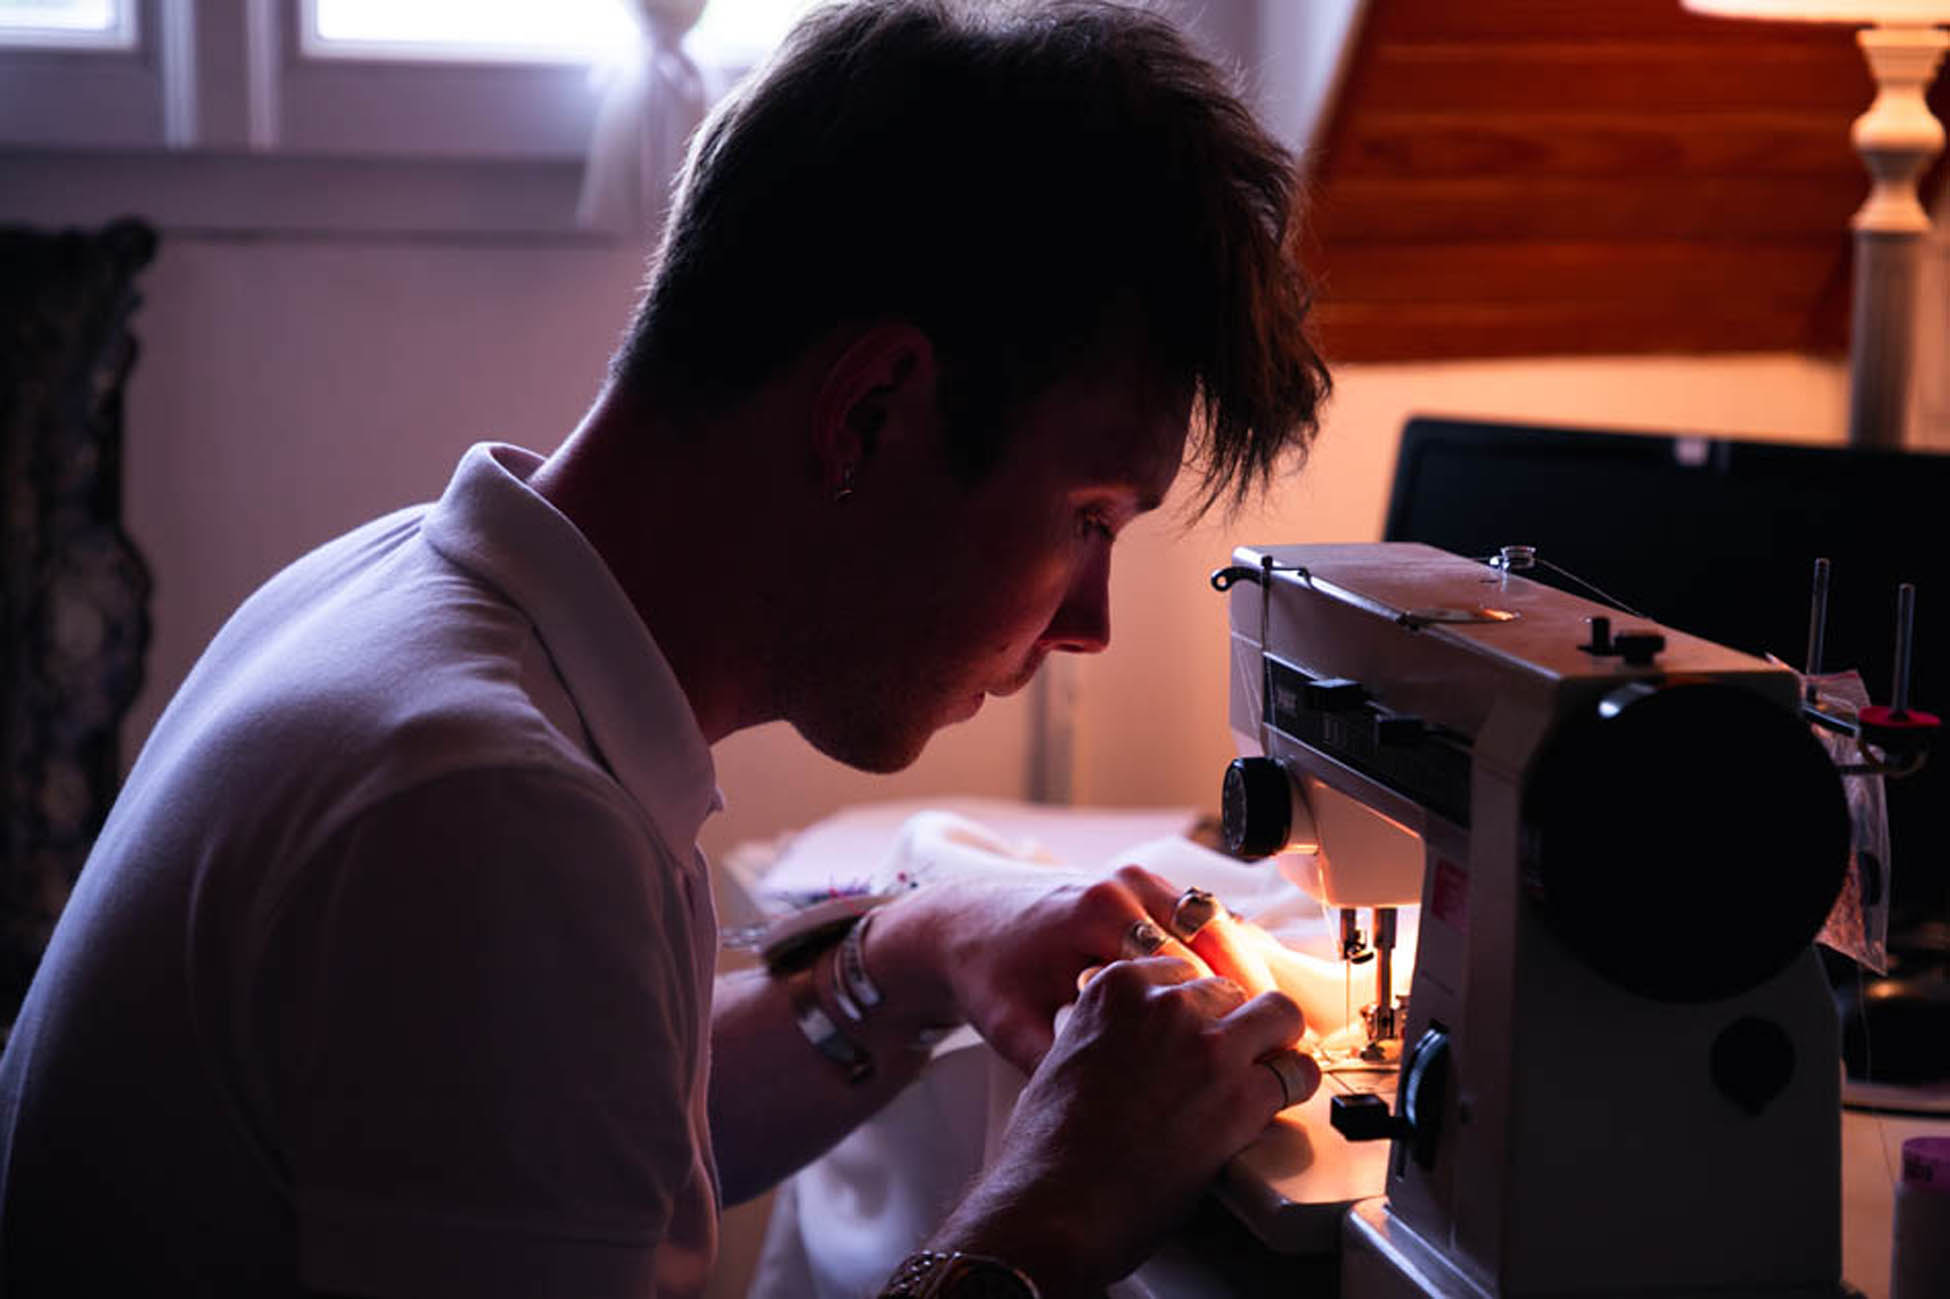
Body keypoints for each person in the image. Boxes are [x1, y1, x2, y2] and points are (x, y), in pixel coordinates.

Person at [0, 1, 1331, 1295]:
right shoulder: (492, 814)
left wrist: (904, 960)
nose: (1087, 626)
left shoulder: (400, 601)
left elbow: (568, 1159)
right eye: (1088, 517)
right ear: (869, 409)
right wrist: (1058, 1208)